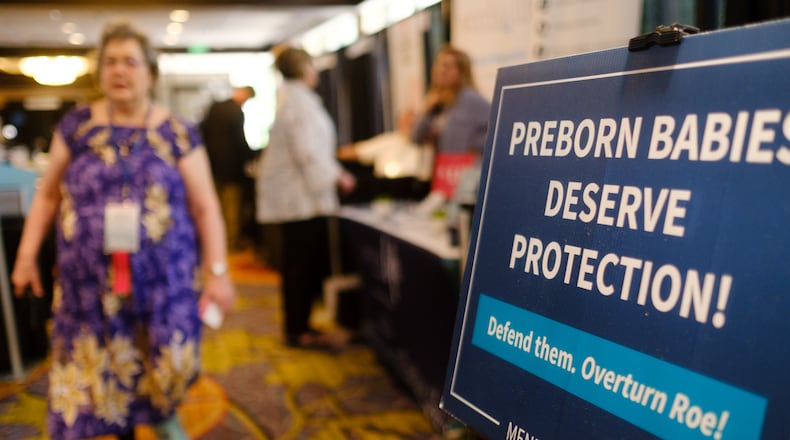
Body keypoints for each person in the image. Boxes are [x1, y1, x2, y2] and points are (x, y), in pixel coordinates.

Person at [10, 20, 235, 440]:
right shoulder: (76, 128)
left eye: (130, 62)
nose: (119, 71)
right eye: (110, 62)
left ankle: (161, 414)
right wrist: (25, 256)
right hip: (87, 284)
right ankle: (120, 423)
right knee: (95, 367)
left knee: (167, 364)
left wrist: (218, 270)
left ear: (150, 72)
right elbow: (47, 197)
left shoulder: (178, 132)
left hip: (163, 281)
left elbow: (205, 207)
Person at [255, 46, 355, 348]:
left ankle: (299, 326)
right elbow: (308, 152)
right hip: (299, 201)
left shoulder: (295, 98)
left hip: (301, 198)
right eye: (311, 65)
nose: (315, 71)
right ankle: (297, 330)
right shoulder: (296, 102)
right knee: (300, 266)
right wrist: (337, 176)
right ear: (302, 69)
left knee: (299, 265)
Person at [410, 45, 491, 199]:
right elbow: (415, 137)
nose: (441, 70)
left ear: (461, 71)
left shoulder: (471, 99)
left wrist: (475, 148)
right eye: (439, 64)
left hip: (465, 180)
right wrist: (427, 109)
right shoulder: (437, 102)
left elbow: (497, 132)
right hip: (442, 179)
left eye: (447, 66)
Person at [200, 85, 256, 252]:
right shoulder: (236, 112)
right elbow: (240, 142)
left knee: (216, 207)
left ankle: (215, 243)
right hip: (231, 170)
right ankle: (230, 244)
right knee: (232, 209)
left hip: (212, 167)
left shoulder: (215, 108)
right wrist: (252, 155)